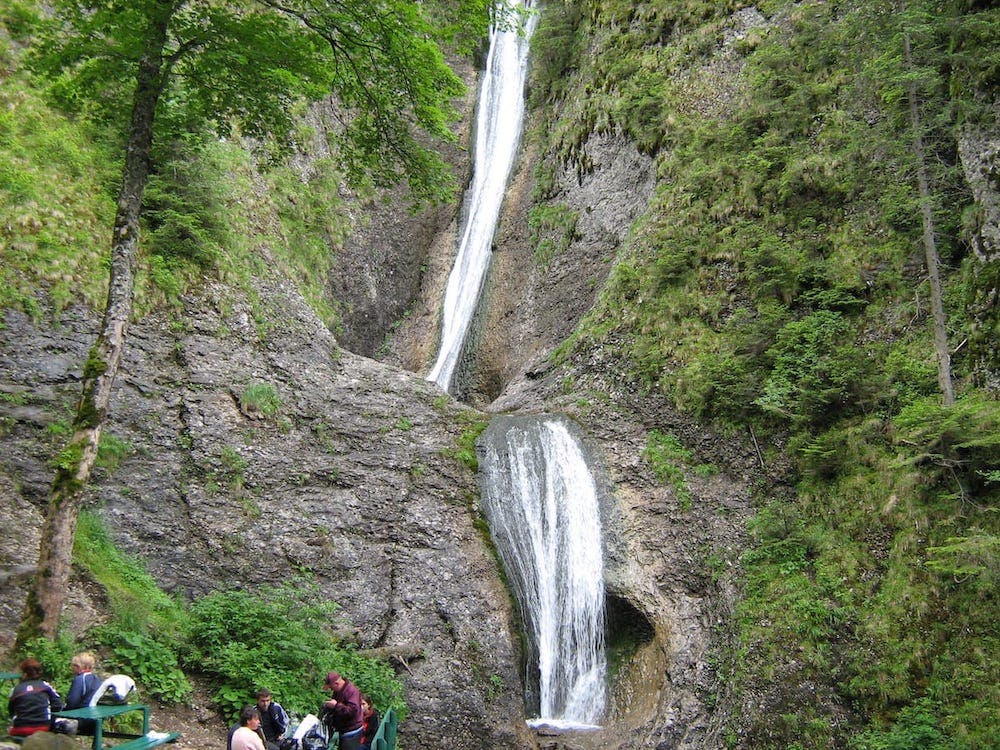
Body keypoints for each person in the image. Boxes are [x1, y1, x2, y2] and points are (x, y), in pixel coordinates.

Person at [7, 658, 64, 737]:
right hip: (44, 727)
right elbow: (58, 705)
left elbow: (11, 711)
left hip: (21, 729)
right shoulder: (45, 686)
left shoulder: (16, 689)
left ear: (24, 674)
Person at [320, 672, 363, 750]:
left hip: (351, 732)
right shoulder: (338, 692)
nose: (331, 690)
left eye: (331, 688)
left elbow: (352, 711)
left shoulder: (352, 691)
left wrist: (336, 705)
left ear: (336, 683)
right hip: (343, 730)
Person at [64, 652, 100, 734]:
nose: (72, 668)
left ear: (79, 667)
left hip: (81, 717)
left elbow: (72, 701)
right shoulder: (96, 678)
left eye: (74, 666)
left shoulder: (80, 679)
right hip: (95, 716)